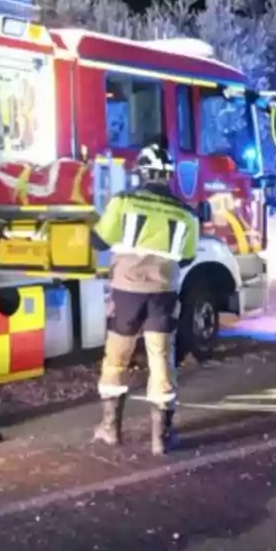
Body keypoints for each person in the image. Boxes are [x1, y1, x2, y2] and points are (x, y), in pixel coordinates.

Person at [90, 143, 199, 454]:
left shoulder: (124, 202)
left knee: (117, 357)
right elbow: (187, 257)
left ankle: (110, 428)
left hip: (126, 293)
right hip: (163, 295)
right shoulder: (186, 213)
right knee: (161, 359)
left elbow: (99, 240)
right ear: (168, 176)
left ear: (141, 173)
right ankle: (161, 438)